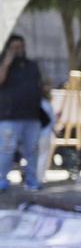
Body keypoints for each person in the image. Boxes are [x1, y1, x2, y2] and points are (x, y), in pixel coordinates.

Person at [0, 34, 45, 191]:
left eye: (21, 47)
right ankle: (1, 180)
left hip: (31, 115)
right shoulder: (4, 64)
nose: (19, 50)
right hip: (9, 116)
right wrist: (6, 62)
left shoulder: (31, 65)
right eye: (14, 48)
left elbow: (39, 84)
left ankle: (31, 180)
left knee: (32, 150)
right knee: (6, 150)